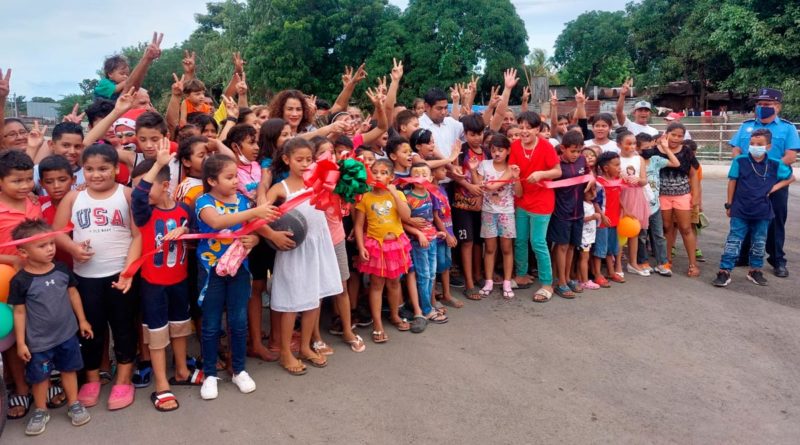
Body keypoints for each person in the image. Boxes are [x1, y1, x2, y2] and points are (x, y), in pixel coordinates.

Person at [52, 144, 141, 411]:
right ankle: (91, 378)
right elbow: (56, 233)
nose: (96, 174)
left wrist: (128, 272)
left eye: (103, 168)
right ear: (82, 171)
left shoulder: (127, 195)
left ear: (116, 169)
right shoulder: (73, 198)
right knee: (91, 329)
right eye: (89, 169)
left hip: (119, 275)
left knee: (124, 327)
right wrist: (72, 249)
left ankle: (124, 378)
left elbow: (138, 235)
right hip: (85, 277)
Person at [194, 154, 279, 398]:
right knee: (210, 324)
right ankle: (210, 374)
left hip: (240, 270)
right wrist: (255, 212)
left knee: (238, 322)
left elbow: (254, 228)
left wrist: (257, 237)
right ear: (211, 180)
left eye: (235, 176)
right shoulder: (203, 202)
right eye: (229, 177)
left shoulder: (242, 200)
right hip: (211, 271)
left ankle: (239, 369)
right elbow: (218, 222)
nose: (235, 181)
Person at [131, 142, 198, 412]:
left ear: (166, 185)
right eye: (139, 186)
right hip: (153, 287)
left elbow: (196, 239)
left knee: (181, 328)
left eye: (148, 186)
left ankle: (181, 370)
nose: (142, 191)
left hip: (180, 283)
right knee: (157, 336)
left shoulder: (185, 211)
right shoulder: (144, 213)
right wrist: (158, 164)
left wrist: (185, 234)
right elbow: (137, 198)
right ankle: (162, 384)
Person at [9, 219, 93, 435]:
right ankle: (40, 410)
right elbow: (19, 312)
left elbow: (73, 294)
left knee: (69, 369)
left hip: (67, 335)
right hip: (39, 342)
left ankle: (74, 403)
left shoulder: (62, 269)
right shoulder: (20, 281)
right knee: (40, 377)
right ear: (24, 252)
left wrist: (82, 320)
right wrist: (21, 343)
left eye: (51, 244)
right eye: (42, 246)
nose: (50, 249)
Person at [265, 138, 342, 372]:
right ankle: (286, 353)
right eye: (299, 159)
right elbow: (257, 218)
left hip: (319, 245)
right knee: (291, 302)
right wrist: (272, 235)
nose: (305, 164)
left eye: (309, 159)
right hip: (294, 251)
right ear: (286, 159)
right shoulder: (280, 189)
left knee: (314, 299)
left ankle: (306, 346)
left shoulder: (320, 182)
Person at [729, 87, 800, 278]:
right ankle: (743, 256)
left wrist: (768, 173)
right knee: (743, 218)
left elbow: (791, 156)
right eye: (759, 104)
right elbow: (736, 150)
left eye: (767, 104)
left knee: (774, 221)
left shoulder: (787, 128)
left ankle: (777, 260)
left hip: (773, 184)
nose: (762, 107)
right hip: (747, 183)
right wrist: (742, 166)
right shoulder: (746, 126)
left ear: (777, 106)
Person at [713, 129, 795, 287]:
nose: (755, 146)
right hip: (740, 209)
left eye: (759, 144)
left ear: (768, 146)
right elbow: (732, 182)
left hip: (763, 211)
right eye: (752, 144)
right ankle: (725, 271)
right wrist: (729, 204)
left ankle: (755, 270)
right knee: (734, 240)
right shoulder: (740, 161)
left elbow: (790, 177)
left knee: (759, 242)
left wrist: (773, 189)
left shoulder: (774, 163)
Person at [0, 150, 42, 421]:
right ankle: (21, 388)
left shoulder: (33, 202)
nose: (25, 186)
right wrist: (10, 260)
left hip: (38, 279)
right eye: (17, 181)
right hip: (7, 284)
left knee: (37, 333)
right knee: (13, 338)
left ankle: (42, 383)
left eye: (28, 179)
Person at [354, 159, 413, 343]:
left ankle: (394, 315)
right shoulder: (366, 197)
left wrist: (395, 194)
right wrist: (361, 246)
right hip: (375, 246)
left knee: (394, 283)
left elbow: (407, 216)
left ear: (391, 177)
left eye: (383, 172)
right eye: (375, 172)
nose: (378, 175)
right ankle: (377, 324)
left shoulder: (397, 195)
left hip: (395, 245)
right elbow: (358, 225)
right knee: (376, 285)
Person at [508, 112, 561, 302]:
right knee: (521, 240)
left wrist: (541, 174)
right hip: (522, 200)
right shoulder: (514, 146)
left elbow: (557, 171)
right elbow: (515, 175)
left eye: (528, 128)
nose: (523, 131)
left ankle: (547, 283)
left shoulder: (546, 146)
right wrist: (515, 178)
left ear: (537, 129)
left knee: (538, 242)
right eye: (520, 127)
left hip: (542, 201)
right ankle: (521, 275)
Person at [472, 133, 520, 299]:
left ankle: (507, 282)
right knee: (490, 249)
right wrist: (472, 170)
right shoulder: (484, 165)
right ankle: (489, 281)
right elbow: (478, 184)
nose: (497, 153)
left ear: (508, 151)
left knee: (507, 249)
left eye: (500, 150)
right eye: (493, 150)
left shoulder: (512, 168)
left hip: (506, 212)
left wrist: (517, 178)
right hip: (488, 212)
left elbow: (519, 193)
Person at [547, 131, 591, 298]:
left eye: (579, 151)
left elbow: (588, 174)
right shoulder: (556, 164)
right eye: (573, 151)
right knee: (562, 246)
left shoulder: (582, 160)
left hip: (578, 212)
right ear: (563, 148)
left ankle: (568, 278)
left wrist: (592, 178)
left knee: (572, 246)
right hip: (561, 212)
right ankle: (561, 281)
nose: (576, 154)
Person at [403, 162, 448, 323]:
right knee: (423, 275)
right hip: (418, 242)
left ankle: (428, 305)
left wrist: (438, 232)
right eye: (416, 175)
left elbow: (431, 219)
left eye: (424, 175)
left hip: (432, 239)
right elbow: (403, 221)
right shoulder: (408, 198)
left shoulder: (430, 194)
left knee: (431, 274)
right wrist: (418, 234)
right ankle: (427, 309)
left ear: (430, 177)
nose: (420, 178)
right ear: (410, 178)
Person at [452, 114, 488, 301]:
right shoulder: (460, 150)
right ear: (465, 134)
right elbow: (454, 172)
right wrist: (469, 186)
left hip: (482, 203)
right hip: (462, 203)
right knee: (466, 242)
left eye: (480, 133)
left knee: (478, 242)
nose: (477, 137)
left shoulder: (487, 151)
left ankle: (478, 275)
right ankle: (469, 283)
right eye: (473, 134)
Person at [658, 123, 701, 277]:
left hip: (682, 195)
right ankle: (667, 260)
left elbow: (694, 174)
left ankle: (693, 264)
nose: (676, 138)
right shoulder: (657, 150)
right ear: (666, 134)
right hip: (662, 196)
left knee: (686, 228)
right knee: (667, 228)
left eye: (680, 136)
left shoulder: (686, 151)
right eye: (673, 134)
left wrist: (695, 196)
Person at [638, 134, 680, 277]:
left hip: (655, 206)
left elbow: (676, 163)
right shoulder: (636, 162)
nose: (649, 149)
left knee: (659, 235)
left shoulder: (656, 160)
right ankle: (643, 261)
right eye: (646, 147)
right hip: (640, 206)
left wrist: (666, 148)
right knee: (641, 236)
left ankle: (663, 263)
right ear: (638, 149)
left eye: (651, 146)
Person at [617, 131, 651, 276]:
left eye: (634, 144)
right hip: (620, 195)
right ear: (619, 144)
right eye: (628, 144)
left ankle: (633, 263)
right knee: (620, 232)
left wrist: (638, 180)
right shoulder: (616, 159)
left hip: (636, 196)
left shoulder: (639, 159)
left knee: (634, 230)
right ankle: (617, 265)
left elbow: (644, 180)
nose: (632, 147)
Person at [594, 152, 626, 285]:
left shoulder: (618, 181)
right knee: (600, 248)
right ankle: (597, 274)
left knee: (611, 248)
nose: (619, 168)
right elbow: (594, 201)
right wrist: (602, 216)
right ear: (606, 168)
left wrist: (625, 210)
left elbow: (618, 199)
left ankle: (611, 272)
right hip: (603, 222)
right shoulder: (599, 182)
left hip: (614, 220)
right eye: (617, 165)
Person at [418, 88, 464, 160]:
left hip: (454, 169)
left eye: (445, 108)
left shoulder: (451, 122)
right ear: (426, 107)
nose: (443, 112)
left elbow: (475, 129)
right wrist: (449, 163)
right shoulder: (418, 125)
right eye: (439, 108)